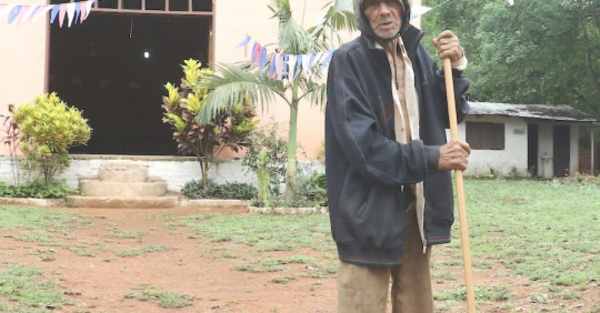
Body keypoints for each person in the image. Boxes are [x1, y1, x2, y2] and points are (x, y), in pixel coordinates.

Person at [324, 0, 471, 312]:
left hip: (416, 209)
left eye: (391, 2)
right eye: (373, 5)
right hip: (367, 212)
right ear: (361, 14)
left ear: (404, 8)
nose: (384, 11)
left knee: (416, 304)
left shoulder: (417, 54)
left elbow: (448, 115)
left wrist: (456, 67)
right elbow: (364, 148)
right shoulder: (348, 61)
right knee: (361, 304)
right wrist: (432, 158)